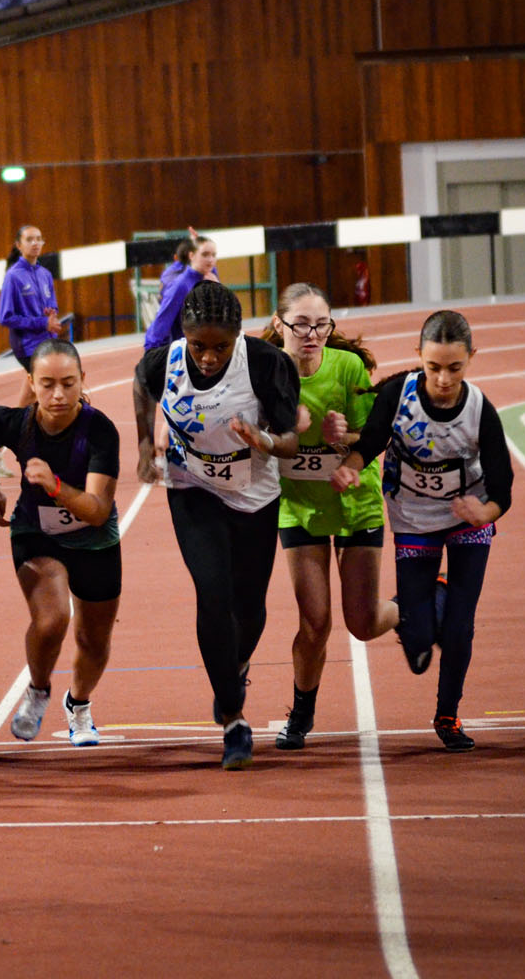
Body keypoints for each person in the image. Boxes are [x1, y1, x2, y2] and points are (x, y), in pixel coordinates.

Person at [134, 280, 301, 769]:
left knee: (251, 609)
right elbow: (140, 385)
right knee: (212, 594)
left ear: (239, 337)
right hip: (193, 489)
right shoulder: (162, 362)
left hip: (255, 493)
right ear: (183, 335)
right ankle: (234, 719)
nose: (207, 357)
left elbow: (291, 442)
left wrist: (263, 439)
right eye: (198, 345)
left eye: (220, 347)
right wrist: (146, 443)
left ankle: (236, 666)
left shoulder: (268, 365)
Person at [332, 311, 512, 752]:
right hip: (413, 518)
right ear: (419, 358)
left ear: (471, 359)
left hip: (466, 520)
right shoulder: (398, 395)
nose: (444, 379)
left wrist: (483, 512)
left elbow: (503, 488)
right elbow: (370, 442)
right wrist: (350, 469)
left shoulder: (480, 410)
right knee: (416, 642)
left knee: (459, 629)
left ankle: (447, 714)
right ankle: (433, 598)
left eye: (455, 368)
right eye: (434, 367)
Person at [261, 284, 396, 751]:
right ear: (280, 324)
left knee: (361, 623)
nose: (312, 334)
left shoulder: (349, 368)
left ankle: (418, 606)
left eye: (321, 324)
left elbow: (373, 439)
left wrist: (347, 436)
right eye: (301, 324)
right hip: (298, 505)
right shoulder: (263, 370)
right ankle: (301, 713)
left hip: (354, 501)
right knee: (315, 622)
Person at [0, 339, 122, 746]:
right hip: (36, 533)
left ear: (82, 382)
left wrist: (56, 486)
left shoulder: (100, 431)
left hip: (94, 537)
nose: (58, 394)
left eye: (69, 384)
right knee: (53, 617)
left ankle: (79, 705)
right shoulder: (17, 423)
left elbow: (95, 509)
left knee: (94, 640)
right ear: (31, 384)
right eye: (48, 384)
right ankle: (38, 690)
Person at [0, 225, 63, 406]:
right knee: (47, 386)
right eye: (29, 239)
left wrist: (52, 315)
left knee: (32, 392)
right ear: (19, 245)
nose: (35, 243)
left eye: (38, 239)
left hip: (48, 340)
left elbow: (52, 304)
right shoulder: (13, 277)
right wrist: (42, 323)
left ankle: (17, 427)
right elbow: (6, 317)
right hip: (27, 345)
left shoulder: (45, 274)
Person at [143, 235, 220, 351]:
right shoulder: (181, 285)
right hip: (187, 352)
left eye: (213, 255)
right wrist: (152, 351)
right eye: (205, 255)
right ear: (191, 256)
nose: (210, 260)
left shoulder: (211, 278)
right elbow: (163, 319)